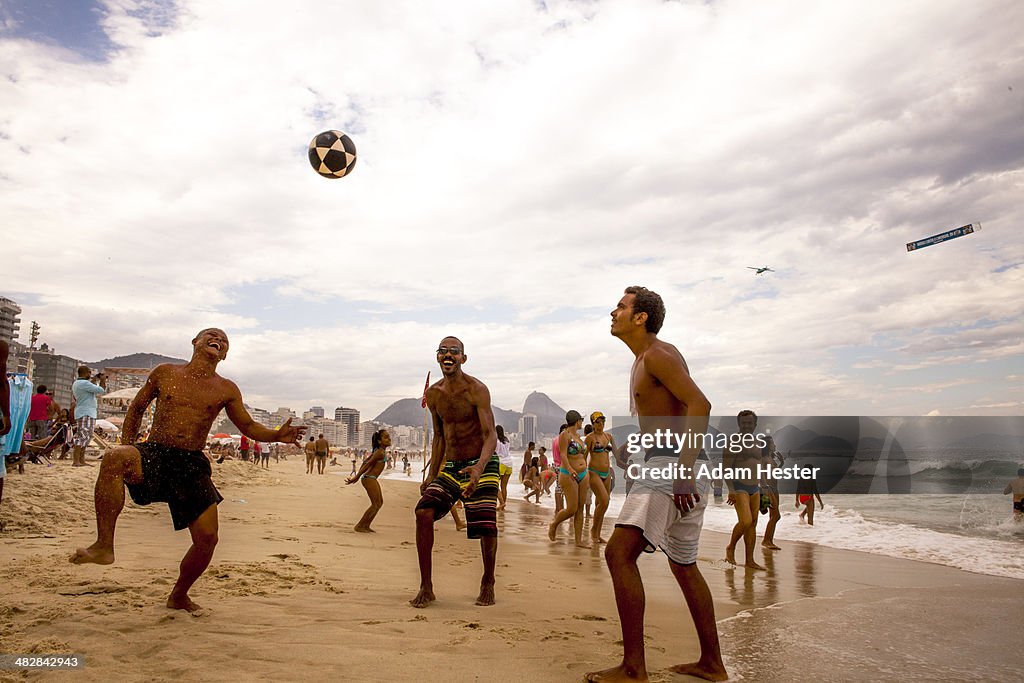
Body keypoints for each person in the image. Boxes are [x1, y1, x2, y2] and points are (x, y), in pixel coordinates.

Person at [69, 328, 305, 612]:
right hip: (154, 452)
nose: (218, 339)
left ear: (225, 354)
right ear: (195, 342)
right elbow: (137, 407)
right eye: (211, 335)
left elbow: (249, 426)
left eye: (224, 340)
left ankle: (179, 595)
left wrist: (277, 435)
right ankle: (104, 545)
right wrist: (131, 448)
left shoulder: (226, 388)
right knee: (115, 457)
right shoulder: (165, 372)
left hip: (191, 464)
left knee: (207, 539)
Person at [587, 286, 726, 683]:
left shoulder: (659, 355)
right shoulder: (646, 359)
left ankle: (634, 668)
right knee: (684, 565)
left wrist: (680, 470)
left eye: (621, 306)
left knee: (619, 554)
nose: (613, 311)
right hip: (677, 463)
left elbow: (700, 404)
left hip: (674, 468)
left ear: (640, 317)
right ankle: (713, 664)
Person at [411, 336, 500, 608]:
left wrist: (479, 468)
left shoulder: (477, 390)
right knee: (423, 512)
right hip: (451, 466)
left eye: (454, 351)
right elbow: (439, 436)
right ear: (438, 357)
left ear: (463, 358)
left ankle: (488, 580)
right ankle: (426, 587)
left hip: (482, 463)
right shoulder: (434, 394)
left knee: (486, 525)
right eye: (443, 351)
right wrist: (430, 475)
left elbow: (490, 435)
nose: (448, 355)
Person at [723, 410, 766, 570]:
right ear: (739, 424)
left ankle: (750, 560)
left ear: (755, 424)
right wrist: (731, 489)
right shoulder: (733, 441)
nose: (746, 425)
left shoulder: (757, 443)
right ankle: (730, 548)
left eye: (749, 423)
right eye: (743, 423)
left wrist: (764, 486)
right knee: (745, 521)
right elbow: (725, 468)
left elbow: (759, 464)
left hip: (755, 488)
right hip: (739, 485)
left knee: (753, 524)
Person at [547, 410, 591, 549]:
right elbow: (563, 455)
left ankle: (579, 541)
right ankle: (554, 524)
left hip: (583, 474)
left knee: (580, 508)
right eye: (581, 420)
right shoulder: (564, 435)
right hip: (568, 473)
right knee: (572, 509)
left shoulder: (578, 436)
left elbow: (582, 455)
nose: (582, 423)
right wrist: (571, 470)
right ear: (577, 421)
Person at [346, 429, 389, 532]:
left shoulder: (379, 451)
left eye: (389, 437)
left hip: (370, 478)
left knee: (379, 503)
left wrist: (358, 475)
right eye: (386, 437)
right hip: (369, 478)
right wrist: (356, 477)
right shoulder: (379, 452)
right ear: (379, 441)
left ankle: (366, 525)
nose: (389, 439)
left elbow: (365, 461)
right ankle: (360, 526)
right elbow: (368, 464)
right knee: (376, 504)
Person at [585, 411, 615, 545]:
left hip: (606, 473)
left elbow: (617, 454)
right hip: (594, 472)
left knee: (601, 505)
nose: (601, 424)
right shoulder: (590, 438)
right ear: (593, 424)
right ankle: (593, 531)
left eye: (603, 421)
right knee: (604, 501)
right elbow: (583, 456)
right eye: (598, 422)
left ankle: (598, 534)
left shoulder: (608, 436)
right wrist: (582, 473)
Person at [70, 367, 107, 467]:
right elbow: (101, 390)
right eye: (89, 373)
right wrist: (102, 380)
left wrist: (94, 379)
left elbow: (91, 387)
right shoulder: (84, 384)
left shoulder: (78, 383)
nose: (90, 374)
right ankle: (76, 460)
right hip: (85, 412)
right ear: (86, 373)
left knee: (87, 436)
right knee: (82, 436)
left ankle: (81, 460)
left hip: (85, 412)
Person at [760, 433, 784, 550]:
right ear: (768, 445)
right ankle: (766, 540)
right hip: (768, 489)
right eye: (772, 443)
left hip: (775, 489)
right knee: (776, 515)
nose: (775, 445)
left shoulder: (770, 458)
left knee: (773, 516)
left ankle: (769, 540)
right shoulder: (763, 458)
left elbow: (774, 473)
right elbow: (760, 473)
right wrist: (764, 489)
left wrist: (781, 463)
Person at [495, 425, 514, 510]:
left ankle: (501, 503)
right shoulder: (507, 440)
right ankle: (503, 506)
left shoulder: (496, 441)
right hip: (509, 463)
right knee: (504, 486)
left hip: (501, 463)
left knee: (495, 484)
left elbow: (495, 452)